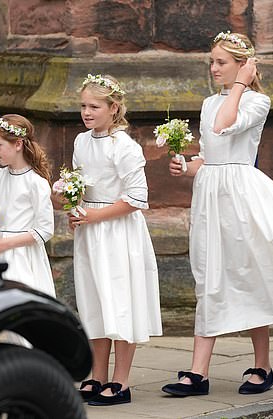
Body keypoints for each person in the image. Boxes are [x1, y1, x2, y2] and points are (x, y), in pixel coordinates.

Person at [161, 32, 273, 397]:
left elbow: (224, 125)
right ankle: (198, 372)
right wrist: (189, 164)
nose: (213, 68)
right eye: (211, 62)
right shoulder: (210, 102)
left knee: (248, 273)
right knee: (209, 274)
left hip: (241, 197)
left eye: (221, 62)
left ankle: (262, 365)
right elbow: (212, 152)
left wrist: (242, 84)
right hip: (210, 195)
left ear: (242, 65)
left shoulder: (257, 101)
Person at [69, 74, 162, 406]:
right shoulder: (82, 142)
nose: (87, 112)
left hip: (118, 231)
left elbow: (137, 198)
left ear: (114, 107)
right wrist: (74, 207)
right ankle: (97, 375)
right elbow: (79, 183)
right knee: (94, 301)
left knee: (120, 301)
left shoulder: (125, 146)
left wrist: (93, 216)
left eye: (94, 106)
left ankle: (121, 382)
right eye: (83, 106)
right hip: (90, 231)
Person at [0, 114, 56, 297]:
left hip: (24, 257)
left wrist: (7, 243)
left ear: (18, 144)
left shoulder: (36, 183)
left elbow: (45, 230)